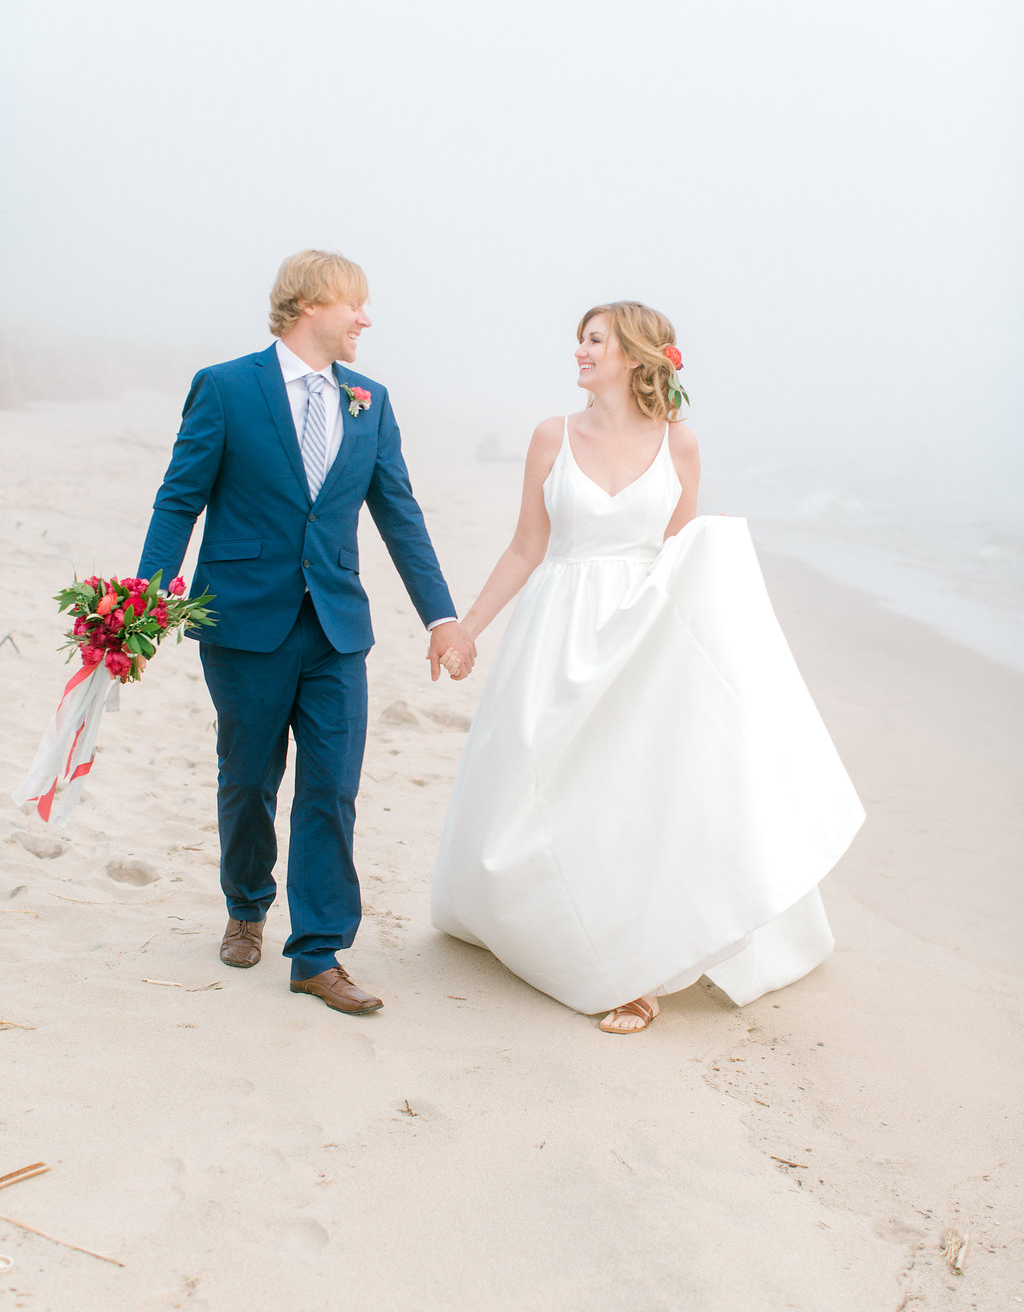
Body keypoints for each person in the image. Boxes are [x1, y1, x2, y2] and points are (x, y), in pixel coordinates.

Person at [431, 301, 864, 1033]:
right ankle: (553, 929)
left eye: (594, 340)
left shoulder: (680, 446)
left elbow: (685, 560)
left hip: (638, 633)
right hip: (556, 629)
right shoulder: (551, 437)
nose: (580, 352)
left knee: (629, 789)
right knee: (540, 782)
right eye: (580, 340)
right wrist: (465, 629)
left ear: (634, 354)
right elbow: (524, 548)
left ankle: (631, 958)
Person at [138, 249, 475, 1015]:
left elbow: (400, 514)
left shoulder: (370, 400)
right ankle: (247, 904)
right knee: (249, 779)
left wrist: (441, 615)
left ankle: (318, 952)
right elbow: (178, 499)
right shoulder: (226, 387)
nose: (365, 319)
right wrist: (146, 600)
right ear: (308, 305)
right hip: (243, 621)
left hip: (336, 628)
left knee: (332, 788)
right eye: (354, 303)